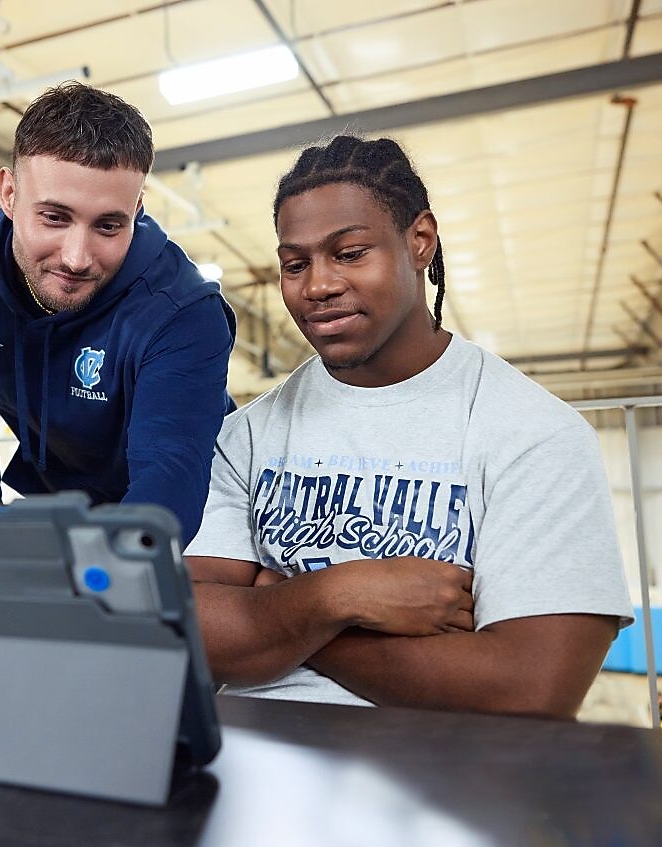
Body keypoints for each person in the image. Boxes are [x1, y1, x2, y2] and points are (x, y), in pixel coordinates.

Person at [185, 136, 632, 718]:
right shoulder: (245, 435)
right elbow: (190, 630)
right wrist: (340, 594)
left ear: (420, 241)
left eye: (350, 253)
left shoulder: (535, 435)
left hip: (439, 765)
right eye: (295, 265)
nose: (318, 285)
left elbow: (529, 691)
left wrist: (279, 607)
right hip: (251, 752)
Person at [0, 81, 236, 546]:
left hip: (199, 516)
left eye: (108, 226)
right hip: (67, 503)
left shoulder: (184, 313)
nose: (76, 258)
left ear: (137, 210)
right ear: (8, 193)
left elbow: (170, 472)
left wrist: (111, 566)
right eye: (54, 217)